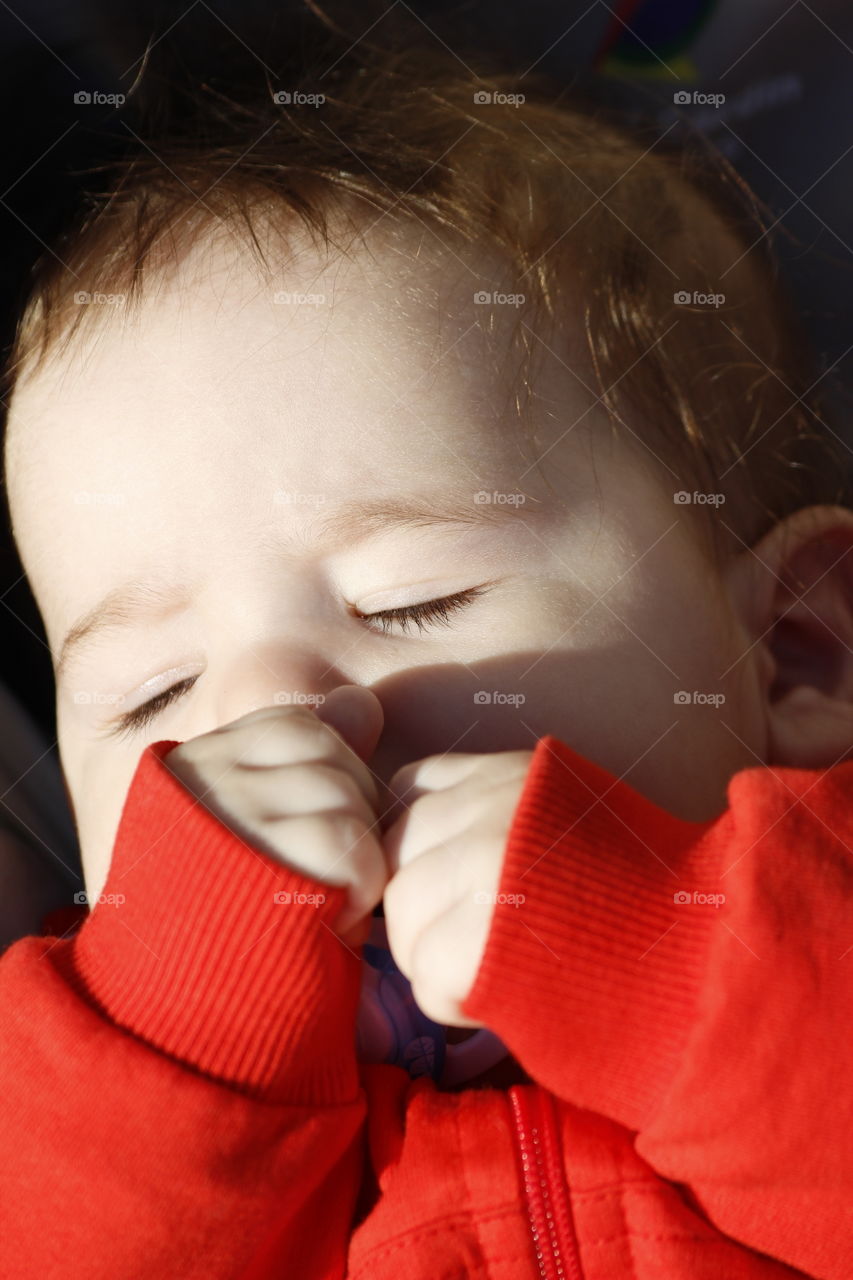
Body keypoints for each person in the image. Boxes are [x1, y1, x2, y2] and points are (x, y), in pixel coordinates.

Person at [0, 15, 851, 1278]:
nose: (269, 710)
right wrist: (192, 1015)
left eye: (411, 601)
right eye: (152, 692)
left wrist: (668, 966)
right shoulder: (83, 1076)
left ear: (791, 650)